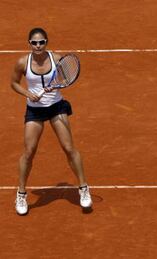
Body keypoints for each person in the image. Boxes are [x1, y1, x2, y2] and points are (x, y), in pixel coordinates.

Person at [10, 28, 92, 215]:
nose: (38, 46)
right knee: (29, 152)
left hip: (57, 108)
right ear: (29, 43)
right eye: (34, 42)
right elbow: (13, 83)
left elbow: (63, 79)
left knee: (69, 148)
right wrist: (28, 93)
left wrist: (52, 88)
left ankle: (83, 188)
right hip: (34, 110)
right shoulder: (23, 62)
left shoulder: (57, 59)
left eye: (41, 42)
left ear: (46, 42)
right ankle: (21, 194)